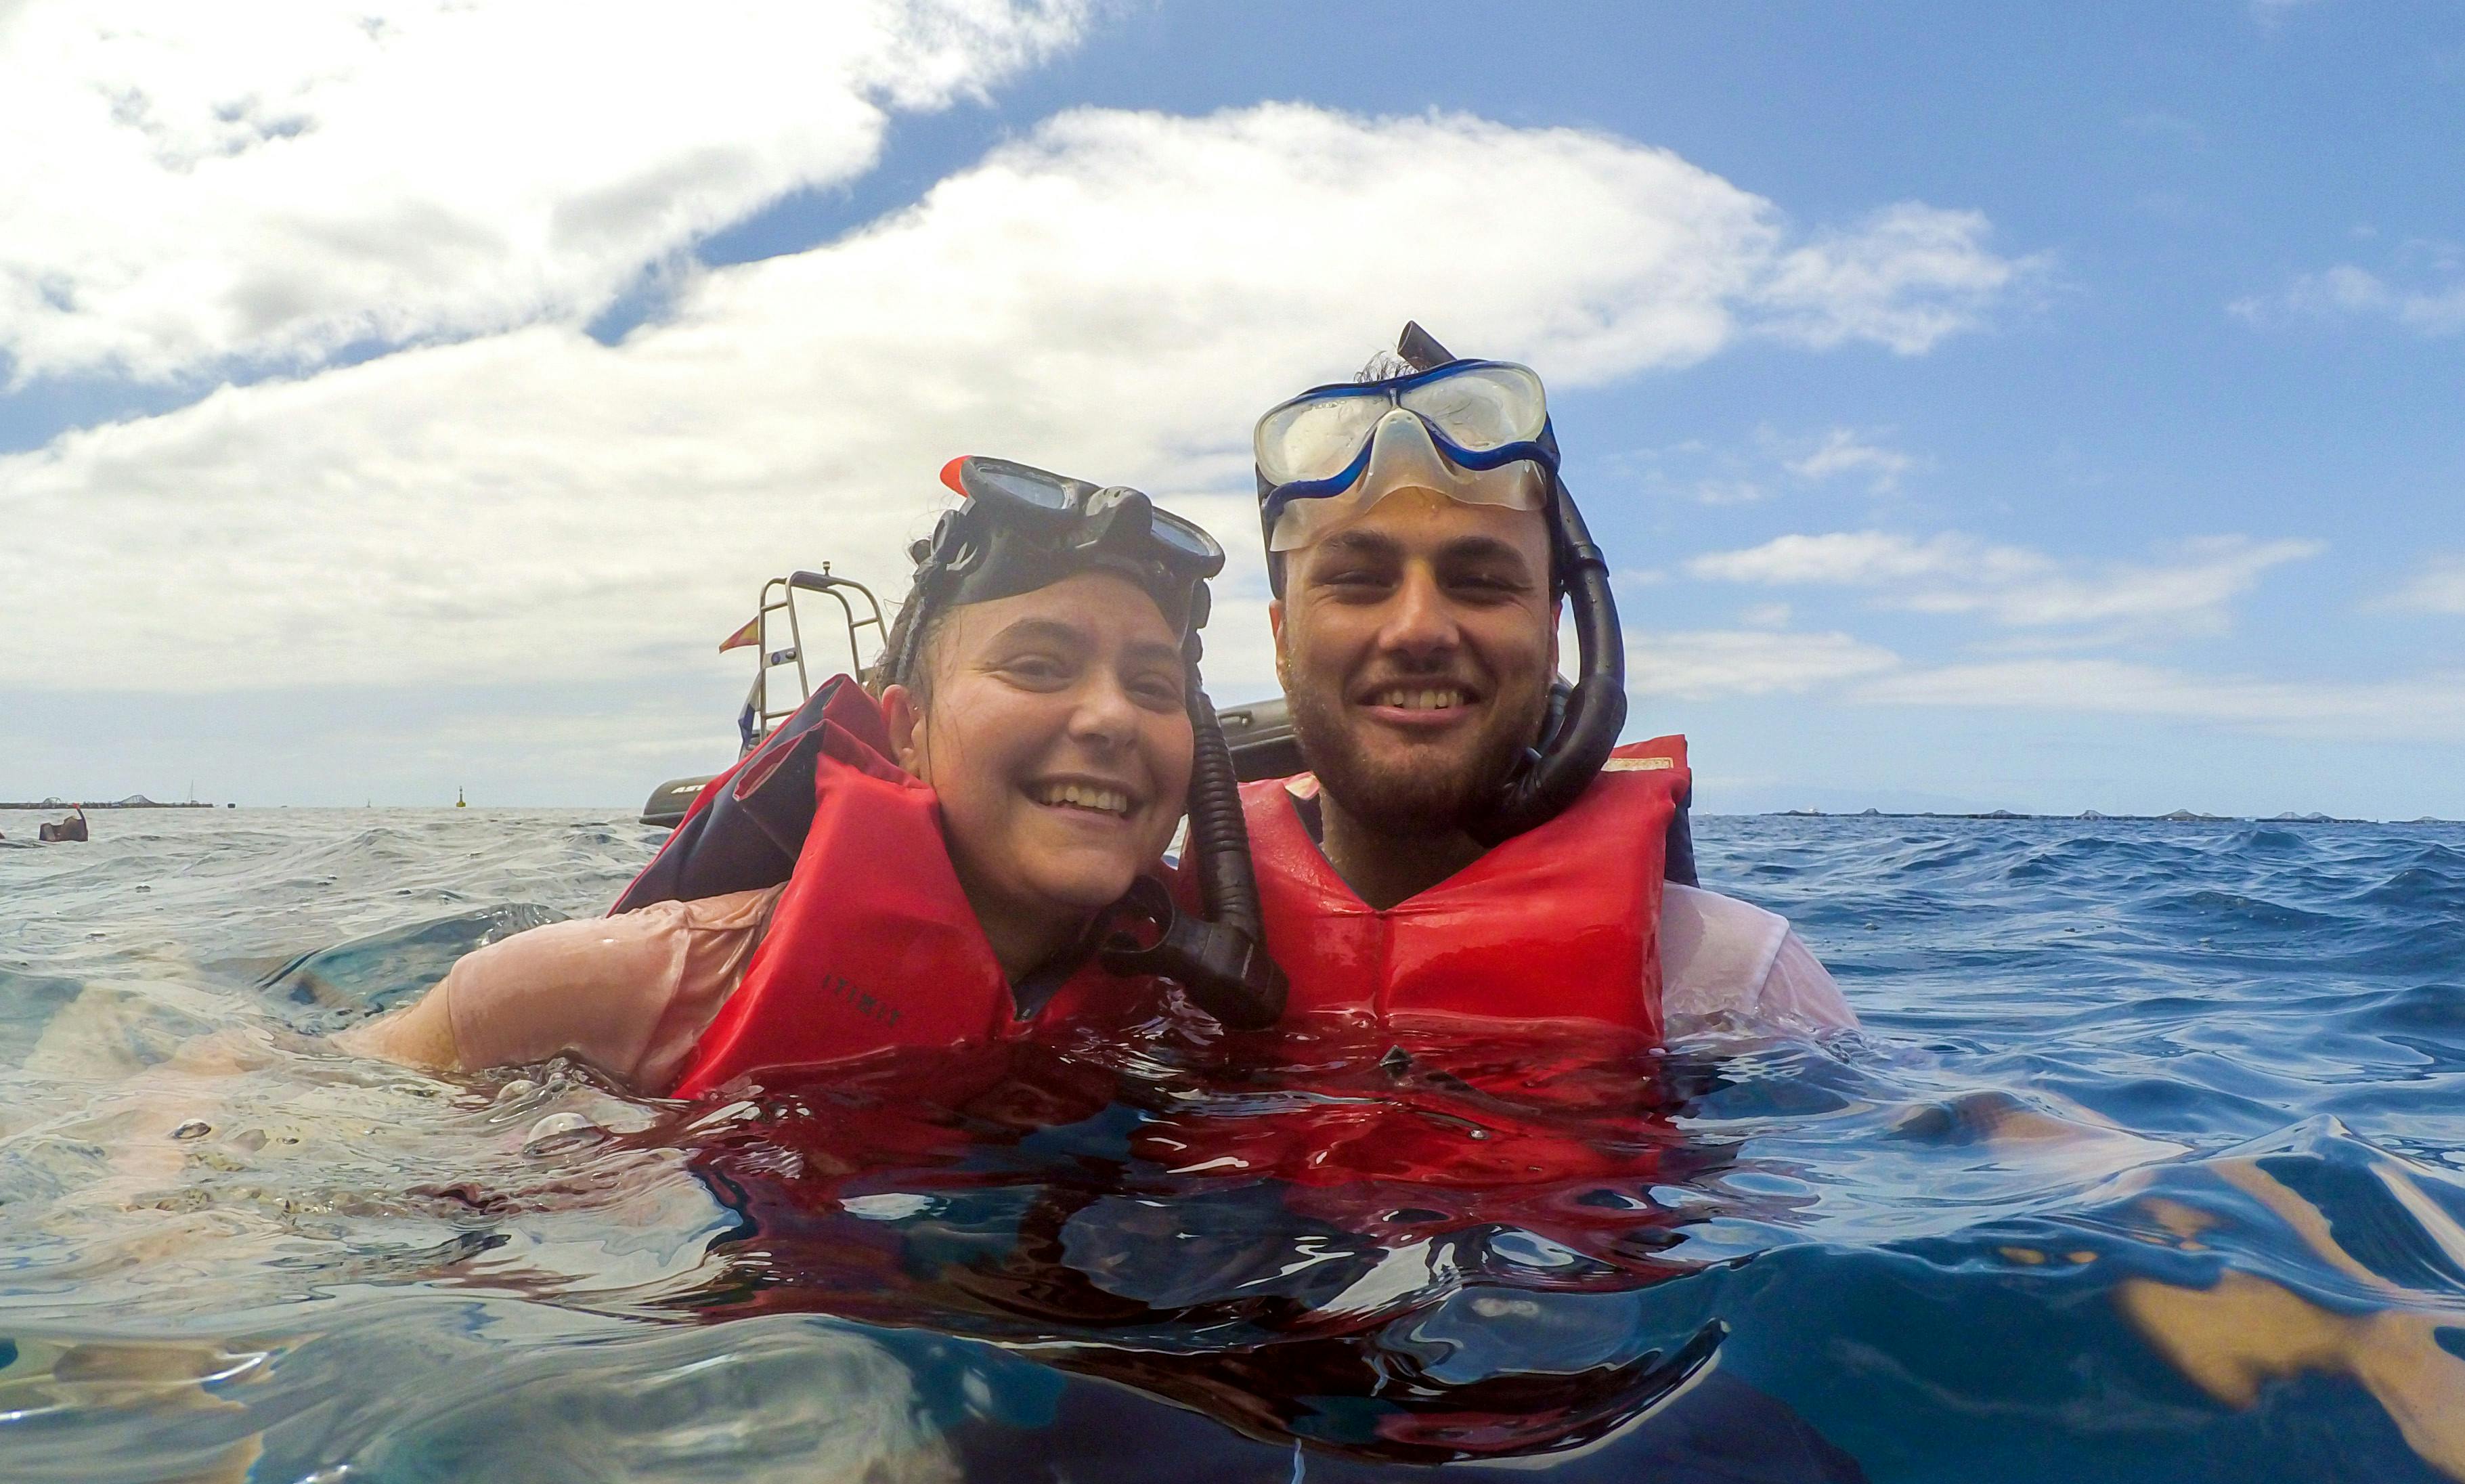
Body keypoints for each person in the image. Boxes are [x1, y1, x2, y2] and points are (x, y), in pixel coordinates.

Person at [345, 456, 1240, 1095]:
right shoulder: (594, 986)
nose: (1111, 717)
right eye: (1039, 667)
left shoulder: (1195, 997)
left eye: (1153, 685)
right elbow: (281, 1117)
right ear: (907, 733)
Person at [1238, 326, 1856, 1045]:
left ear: (1553, 630)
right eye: (1358, 582)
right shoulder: (1161, 956)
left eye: (1481, 583)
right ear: (1282, 640)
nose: (1418, 628)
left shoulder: (1731, 989)